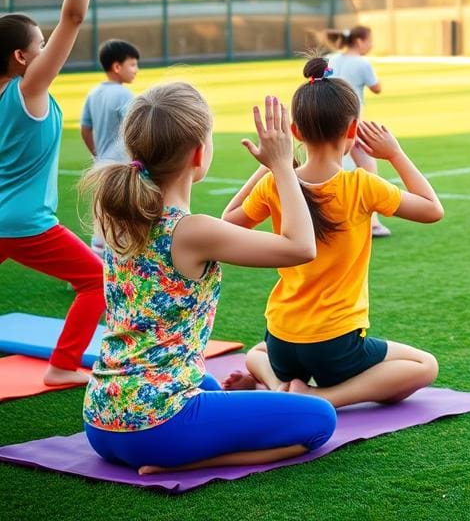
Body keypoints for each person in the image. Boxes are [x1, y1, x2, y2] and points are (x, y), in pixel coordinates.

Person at [81, 85, 336, 474]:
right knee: (320, 419)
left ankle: (174, 448)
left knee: (214, 387)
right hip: (158, 426)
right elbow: (302, 247)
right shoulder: (193, 231)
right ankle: (174, 463)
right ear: (200, 153)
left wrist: (270, 166)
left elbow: (226, 226)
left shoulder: (120, 217)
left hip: (100, 420)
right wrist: (283, 165)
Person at [221, 57, 444, 408]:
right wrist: (395, 153)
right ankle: (323, 396)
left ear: (295, 133)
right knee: (424, 365)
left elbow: (228, 221)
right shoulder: (361, 184)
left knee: (257, 353)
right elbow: (432, 209)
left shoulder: (276, 183)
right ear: (352, 131)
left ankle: (278, 384)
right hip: (335, 346)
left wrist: (270, 167)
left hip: (282, 339)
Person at [0, 0, 120, 387]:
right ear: (23, 57)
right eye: (40, 43)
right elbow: (72, 19)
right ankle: (62, 366)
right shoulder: (28, 90)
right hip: (24, 222)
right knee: (97, 280)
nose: (48, 46)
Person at [326, 25, 391, 237]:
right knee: (368, 163)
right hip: (351, 121)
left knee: (330, 164)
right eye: (369, 40)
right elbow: (377, 88)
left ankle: (331, 215)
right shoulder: (362, 63)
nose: (371, 45)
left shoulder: (332, 58)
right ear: (360, 41)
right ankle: (372, 221)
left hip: (328, 116)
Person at [81, 38, 141, 258]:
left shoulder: (94, 93)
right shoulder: (125, 95)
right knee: (124, 218)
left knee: (103, 218)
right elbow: (135, 132)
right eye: (133, 64)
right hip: (122, 168)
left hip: (103, 166)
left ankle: (93, 265)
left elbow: (85, 128)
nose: (136, 70)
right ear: (117, 67)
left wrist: (97, 155)